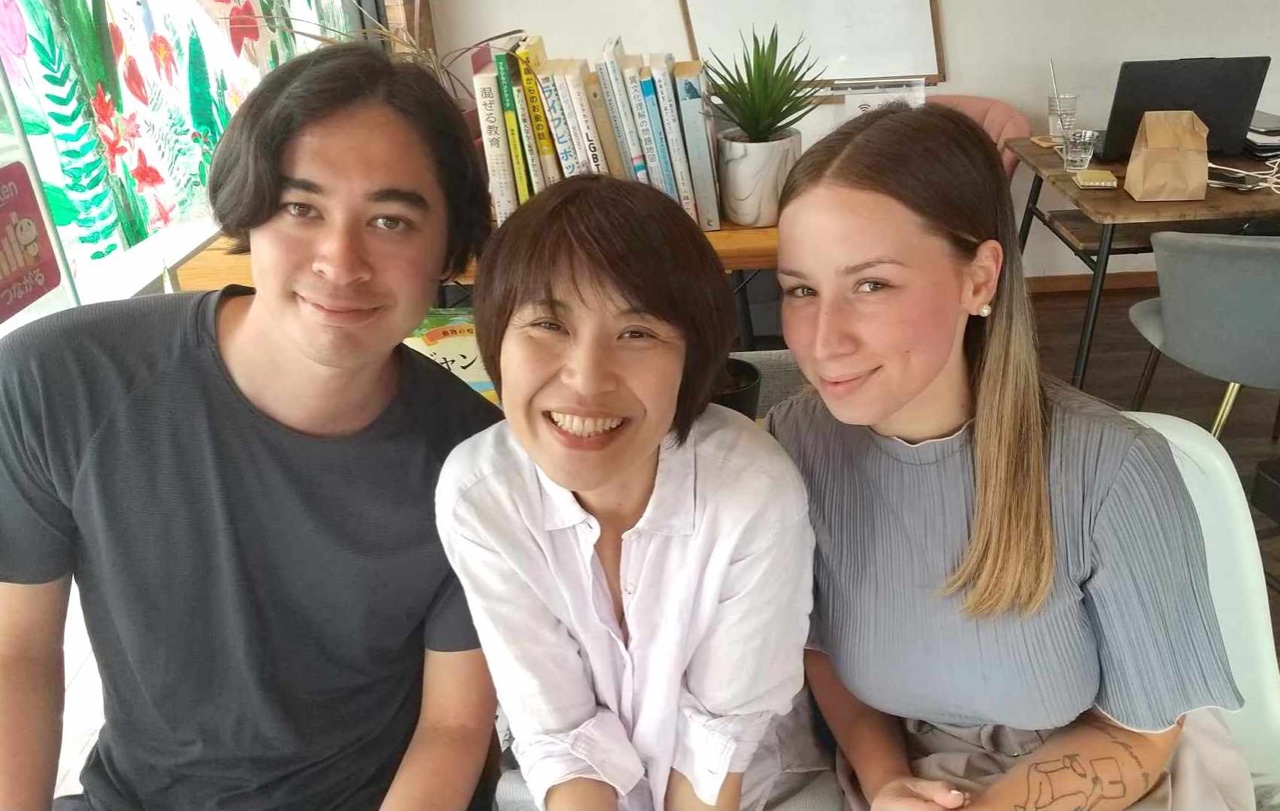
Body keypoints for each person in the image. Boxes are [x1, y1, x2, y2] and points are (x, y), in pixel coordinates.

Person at [0, 42, 500, 811]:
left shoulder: (480, 466)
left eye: (391, 220)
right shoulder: (59, 381)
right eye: (302, 208)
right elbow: (18, 652)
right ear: (249, 208)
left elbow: (454, 727)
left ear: (447, 250)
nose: (341, 260)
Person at [767, 102, 1253, 811]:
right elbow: (820, 647)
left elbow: (1142, 731)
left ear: (979, 279)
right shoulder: (795, 444)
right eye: (801, 290)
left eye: (871, 284)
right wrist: (886, 781)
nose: (823, 340)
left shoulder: (1114, 471)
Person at [435, 174, 830, 811]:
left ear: (692, 358)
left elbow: (716, 751)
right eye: (548, 324)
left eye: (638, 332)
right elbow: (559, 731)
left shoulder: (752, 492)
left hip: (754, 792)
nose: (587, 379)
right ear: (496, 337)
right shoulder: (481, 494)